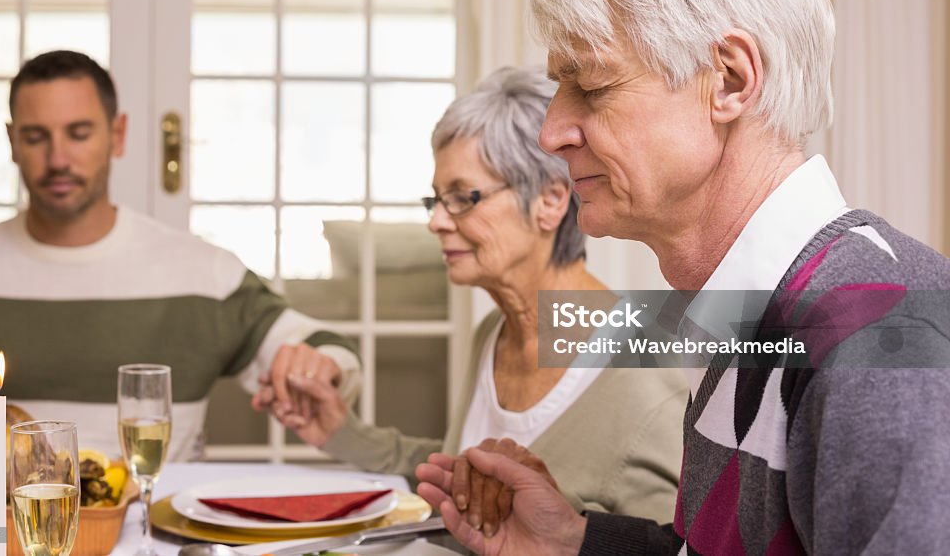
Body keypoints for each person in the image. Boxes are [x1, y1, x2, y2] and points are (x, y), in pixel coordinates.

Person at [416, 0, 950, 555]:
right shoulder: (744, 317)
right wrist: (574, 541)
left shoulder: (881, 331)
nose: (553, 132)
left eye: (593, 86)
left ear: (728, 80)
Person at [258, 67, 687, 523]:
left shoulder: (646, 369)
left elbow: (677, 543)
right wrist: (342, 434)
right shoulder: (494, 332)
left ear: (550, 201)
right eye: (435, 200)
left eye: (463, 197)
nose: (437, 222)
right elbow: (465, 475)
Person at [0, 49, 360, 460]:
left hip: (155, 528)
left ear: (117, 136)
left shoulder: (202, 273)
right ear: (12, 142)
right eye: (36, 136)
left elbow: (328, 348)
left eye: (79, 134)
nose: (58, 158)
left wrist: (320, 365)